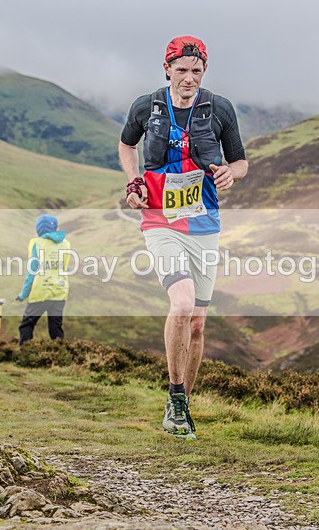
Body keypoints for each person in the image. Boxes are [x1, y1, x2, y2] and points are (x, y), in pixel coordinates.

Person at [119, 36, 248, 440]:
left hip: (204, 222)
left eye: (196, 71)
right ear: (167, 69)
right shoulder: (147, 106)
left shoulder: (219, 108)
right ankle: (175, 400)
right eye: (182, 70)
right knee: (182, 301)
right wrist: (134, 182)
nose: (189, 78)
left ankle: (182, 406)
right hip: (159, 220)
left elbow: (240, 161)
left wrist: (232, 172)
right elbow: (126, 145)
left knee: (197, 324)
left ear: (203, 71)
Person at [16, 213, 71, 345]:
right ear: (55, 227)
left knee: (26, 325)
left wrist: (24, 294)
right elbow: (65, 267)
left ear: (38, 229)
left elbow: (32, 272)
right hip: (60, 290)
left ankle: (25, 355)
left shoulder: (37, 244)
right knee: (55, 328)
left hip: (41, 292)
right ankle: (60, 356)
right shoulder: (65, 244)